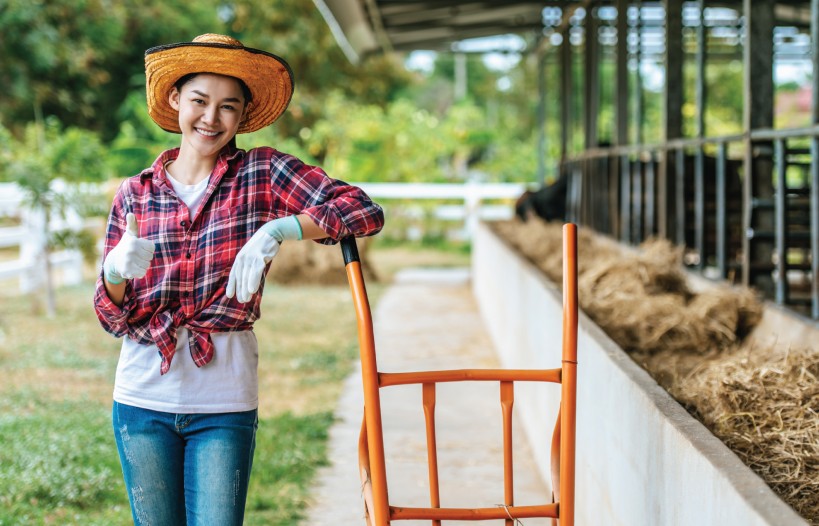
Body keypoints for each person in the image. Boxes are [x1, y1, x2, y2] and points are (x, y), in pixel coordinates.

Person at [93, 33, 384, 525]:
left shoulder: (263, 174)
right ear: (174, 100)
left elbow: (364, 210)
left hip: (223, 400)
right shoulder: (135, 194)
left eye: (228, 106)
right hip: (141, 400)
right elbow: (110, 313)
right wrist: (115, 271)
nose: (211, 118)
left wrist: (282, 227)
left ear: (243, 115)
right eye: (199, 101)